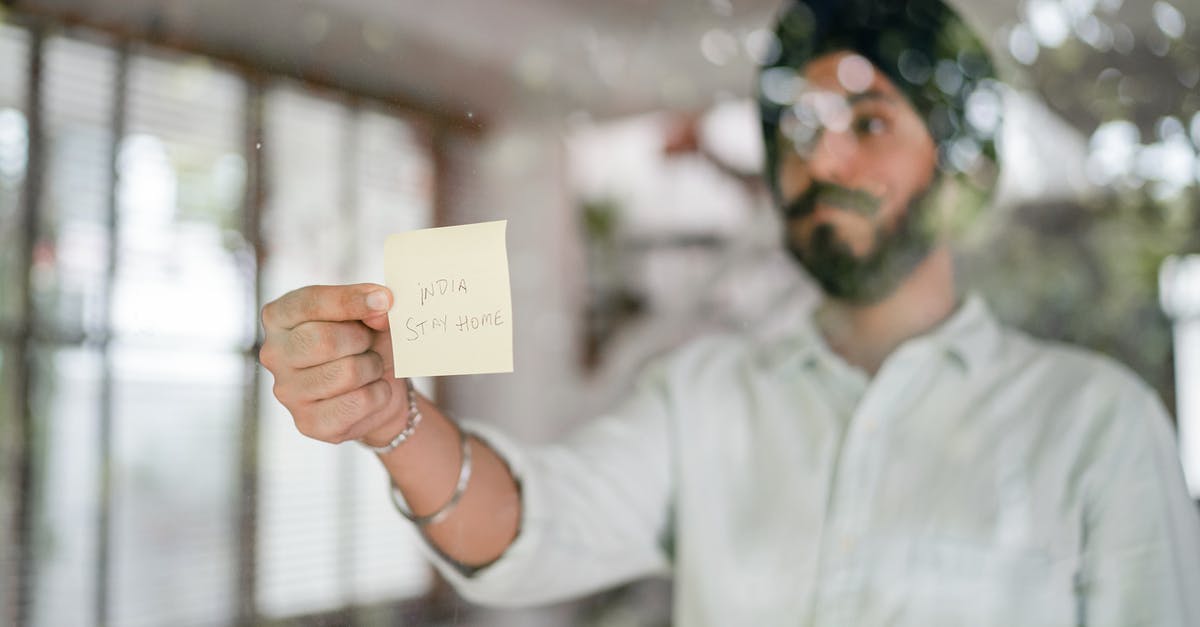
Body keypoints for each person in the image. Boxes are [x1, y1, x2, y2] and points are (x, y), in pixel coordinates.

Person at [258, 0, 1200, 623]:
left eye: (870, 125)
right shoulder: (701, 393)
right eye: (798, 130)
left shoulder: (1099, 424)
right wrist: (392, 418)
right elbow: (534, 529)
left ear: (964, 172)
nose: (823, 163)